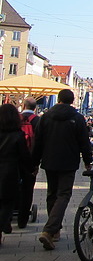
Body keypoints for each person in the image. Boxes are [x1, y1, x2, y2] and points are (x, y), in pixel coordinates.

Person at [32, 89, 93, 250]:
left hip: (49, 161)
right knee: (64, 194)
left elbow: (37, 142)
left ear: (58, 99)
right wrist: (88, 161)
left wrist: (34, 164)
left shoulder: (45, 117)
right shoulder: (77, 118)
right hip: (68, 162)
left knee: (52, 194)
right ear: (72, 101)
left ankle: (54, 232)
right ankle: (50, 229)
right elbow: (84, 142)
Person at [0, 103, 33, 245]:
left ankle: (4, 224)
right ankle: (3, 223)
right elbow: (24, 156)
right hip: (9, 173)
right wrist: (31, 169)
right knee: (8, 202)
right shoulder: (18, 135)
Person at [17, 97, 39, 229]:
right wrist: (36, 163)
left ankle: (8, 217)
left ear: (23, 106)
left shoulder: (15, 119)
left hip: (14, 160)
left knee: (12, 187)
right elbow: (40, 142)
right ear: (35, 108)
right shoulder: (38, 121)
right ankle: (22, 219)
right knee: (27, 189)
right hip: (31, 160)